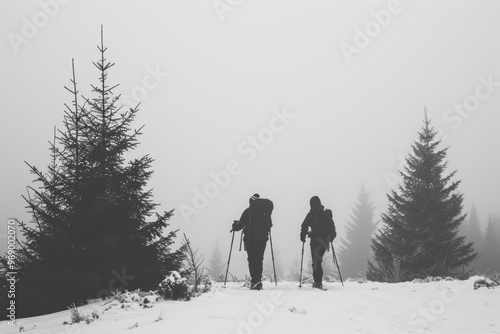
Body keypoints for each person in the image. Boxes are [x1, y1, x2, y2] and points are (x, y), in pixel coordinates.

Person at [231, 194, 273, 290]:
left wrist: (234, 225)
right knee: (259, 260)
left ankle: (255, 281)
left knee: (252, 260)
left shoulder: (248, 212)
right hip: (263, 240)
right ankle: (258, 281)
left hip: (251, 240)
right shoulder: (266, 212)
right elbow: (270, 225)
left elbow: (239, 226)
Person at [300, 196, 336, 289]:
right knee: (318, 260)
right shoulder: (326, 214)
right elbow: (333, 230)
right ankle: (318, 281)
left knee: (316, 261)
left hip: (316, 241)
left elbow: (304, 225)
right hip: (325, 243)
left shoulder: (312, 213)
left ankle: (318, 282)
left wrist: (303, 236)